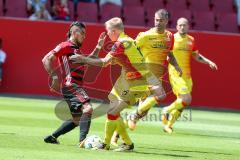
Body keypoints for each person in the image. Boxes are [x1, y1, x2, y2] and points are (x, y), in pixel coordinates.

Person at [70, 17, 164, 151]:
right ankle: (122, 144)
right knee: (113, 111)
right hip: (127, 80)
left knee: (112, 112)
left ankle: (109, 144)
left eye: (108, 31)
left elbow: (104, 62)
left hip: (135, 83)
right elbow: (119, 60)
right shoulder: (128, 41)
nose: (107, 34)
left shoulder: (120, 44)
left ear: (114, 31)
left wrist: (81, 58)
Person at [42, 21, 106, 145]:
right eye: (82, 33)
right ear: (74, 32)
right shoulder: (65, 45)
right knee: (87, 109)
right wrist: (54, 77)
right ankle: (83, 141)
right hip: (71, 85)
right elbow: (46, 59)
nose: (84, 36)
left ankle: (53, 137)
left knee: (77, 119)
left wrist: (98, 46)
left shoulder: (76, 50)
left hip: (73, 87)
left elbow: (88, 61)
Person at [125, 9, 182, 131]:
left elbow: (169, 55)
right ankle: (132, 116)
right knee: (160, 96)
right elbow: (131, 50)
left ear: (166, 21)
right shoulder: (145, 35)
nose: (158, 23)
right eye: (156, 20)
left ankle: (118, 135)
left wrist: (177, 66)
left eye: (161, 20)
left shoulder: (170, 37)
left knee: (143, 112)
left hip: (157, 77)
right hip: (145, 74)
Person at [161, 17, 218, 133]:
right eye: (180, 25)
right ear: (177, 26)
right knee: (187, 98)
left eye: (184, 25)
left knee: (183, 103)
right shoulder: (172, 38)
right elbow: (167, 55)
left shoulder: (191, 40)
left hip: (187, 76)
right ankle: (166, 110)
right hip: (175, 74)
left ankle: (169, 125)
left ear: (188, 26)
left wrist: (209, 62)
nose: (182, 27)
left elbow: (196, 56)